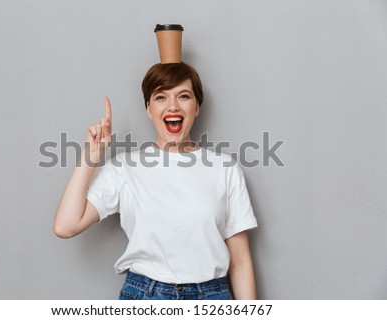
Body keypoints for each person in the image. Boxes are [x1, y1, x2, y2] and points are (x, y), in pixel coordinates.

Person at [53, 62, 258, 300]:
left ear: (197, 106)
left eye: (183, 96)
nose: (173, 106)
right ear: (149, 108)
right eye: (161, 97)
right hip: (146, 297)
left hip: (212, 297)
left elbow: (240, 262)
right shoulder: (123, 169)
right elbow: (66, 226)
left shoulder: (225, 168)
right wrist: (91, 155)